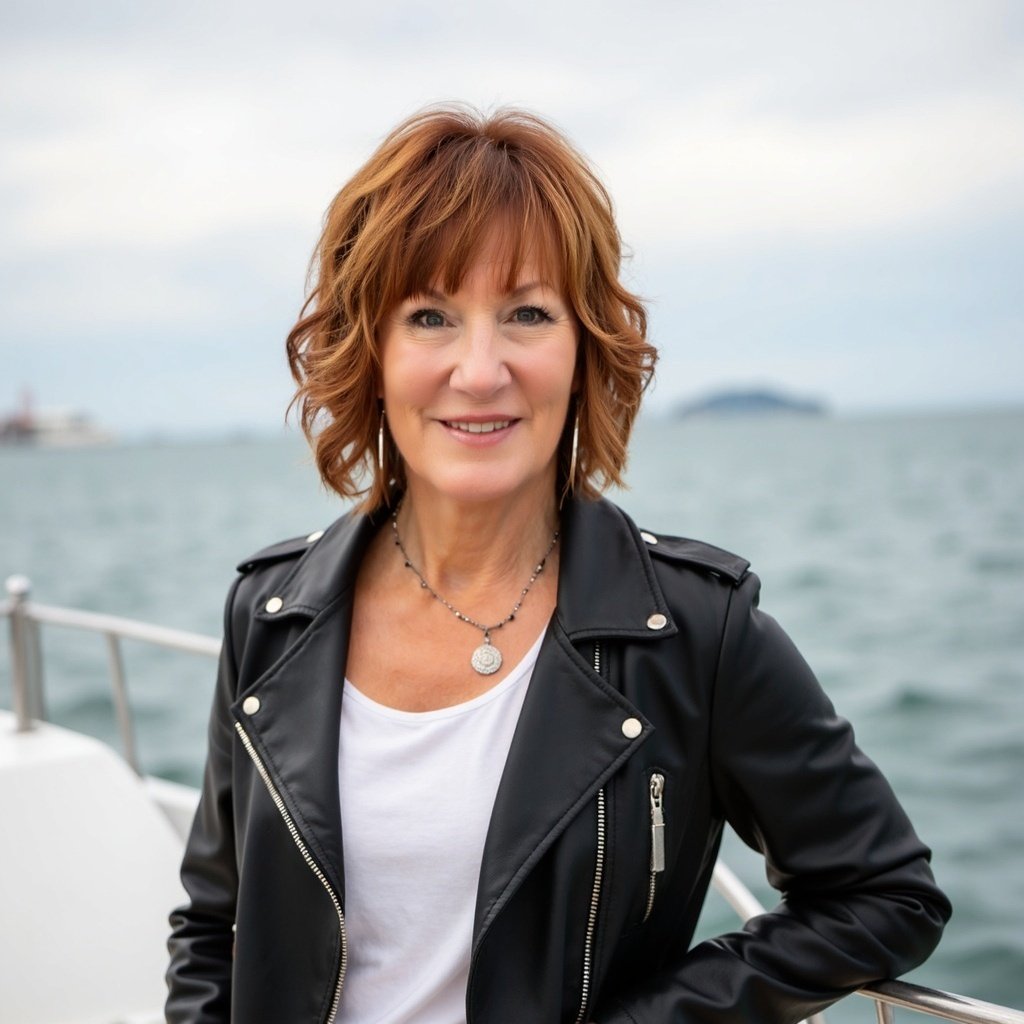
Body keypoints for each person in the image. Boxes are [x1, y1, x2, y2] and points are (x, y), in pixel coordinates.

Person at [166, 105, 950, 1024]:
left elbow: (886, 895)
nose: (480, 368)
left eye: (528, 314)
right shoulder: (271, 613)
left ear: (585, 351)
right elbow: (215, 927)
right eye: (430, 316)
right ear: (370, 351)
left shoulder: (697, 632)